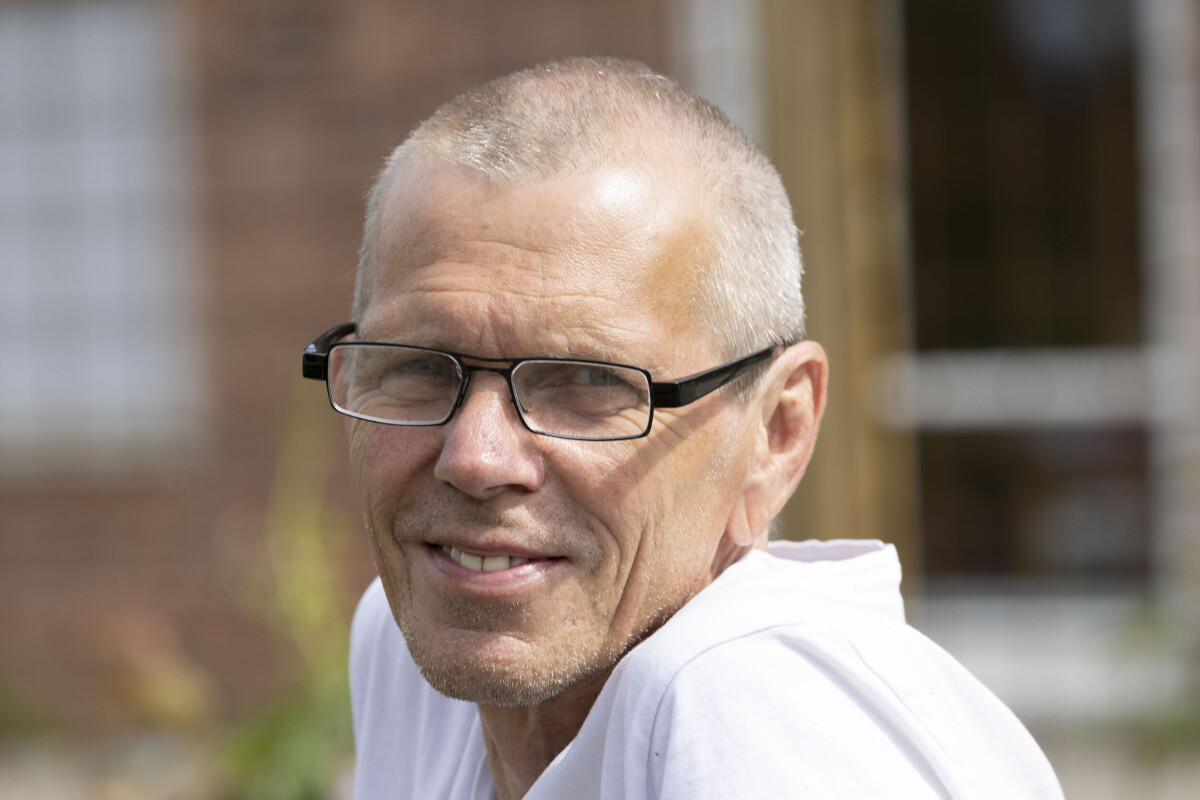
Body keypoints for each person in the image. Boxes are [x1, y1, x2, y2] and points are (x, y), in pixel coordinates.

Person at [302, 57, 1064, 799]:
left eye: (587, 383)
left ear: (777, 431)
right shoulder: (409, 643)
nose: (476, 457)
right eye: (419, 366)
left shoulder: (749, 705)